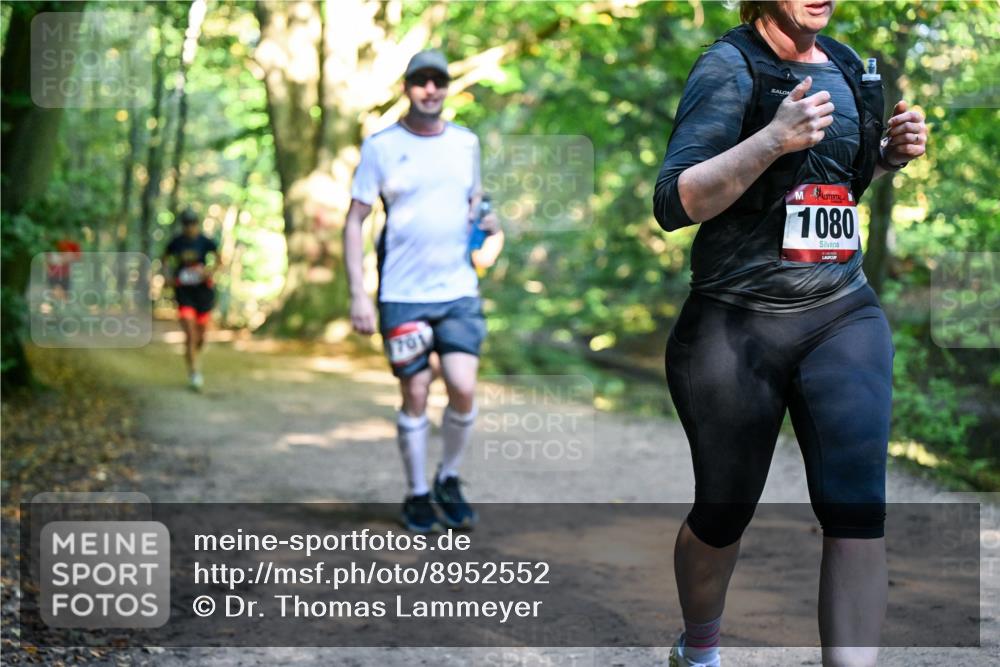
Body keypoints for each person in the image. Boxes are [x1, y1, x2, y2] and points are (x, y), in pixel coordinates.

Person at [652, 2, 927, 666]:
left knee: (858, 509)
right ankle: (700, 647)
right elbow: (675, 200)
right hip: (735, 322)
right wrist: (771, 138)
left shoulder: (847, 65)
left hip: (841, 312)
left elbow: (837, 187)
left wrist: (886, 157)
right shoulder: (728, 67)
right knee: (724, 512)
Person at [343, 49, 500, 533]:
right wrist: (358, 293)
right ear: (407, 88)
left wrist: (490, 228)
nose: (430, 90)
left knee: (463, 386)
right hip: (402, 294)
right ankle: (415, 494)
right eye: (420, 81)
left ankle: (447, 479)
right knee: (415, 389)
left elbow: (476, 203)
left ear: (449, 87)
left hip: (457, 290)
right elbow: (355, 221)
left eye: (438, 81)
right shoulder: (381, 146)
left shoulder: (466, 143)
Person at [163, 208, 219, 391]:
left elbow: (219, 259)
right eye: (186, 224)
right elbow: (164, 259)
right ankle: (194, 372)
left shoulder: (205, 241)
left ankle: (194, 353)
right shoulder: (176, 243)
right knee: (190, 334)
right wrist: (168, 277)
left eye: (192, 223)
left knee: (201, 337)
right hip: (184, 292)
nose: (190, 227)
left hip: (203, 293)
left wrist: (209, 272)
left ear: (197, 224)